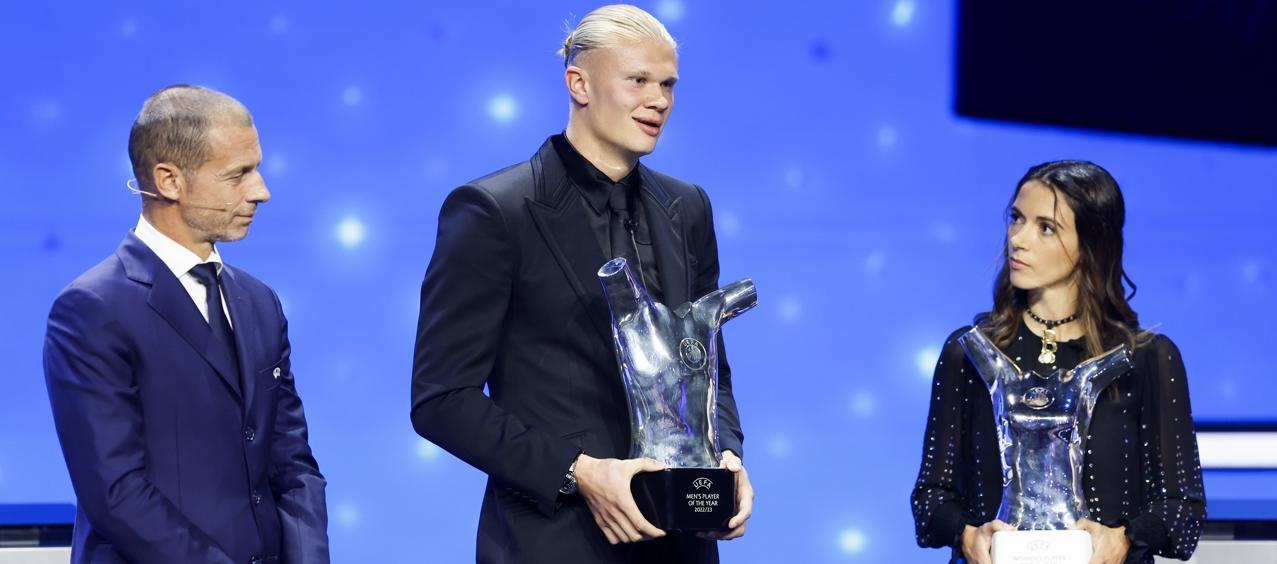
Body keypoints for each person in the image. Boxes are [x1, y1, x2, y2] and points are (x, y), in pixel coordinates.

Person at [410, 4, 753, 563]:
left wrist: (728, 457)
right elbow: (442, 400)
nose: (659, 100)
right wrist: (580, 472)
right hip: (554, 541)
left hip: (683, 546)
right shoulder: (495, 212)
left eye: (668, 84)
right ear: (579, 84)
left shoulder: (687, 207)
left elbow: (709, 366)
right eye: (638, 80)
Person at [43, 85, 329, 564]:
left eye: (256, 169)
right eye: (238, 175)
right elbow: (116, 493)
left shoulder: (259, 302)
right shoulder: (92, 308)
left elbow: (292, 463)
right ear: (169, 181)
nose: (261, 191)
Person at [910, 161, 1206, 564]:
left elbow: (1183, 507)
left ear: (1091, 244)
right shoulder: (969, 353)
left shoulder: (1147, 359)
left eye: (1045, 227)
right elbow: (930, 498)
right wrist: (967, 535)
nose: (1018, 238)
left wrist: (1123, 539)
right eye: (1016, 218)